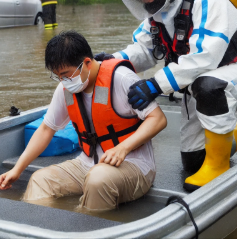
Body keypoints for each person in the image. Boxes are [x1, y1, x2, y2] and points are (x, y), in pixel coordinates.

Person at [97, 0, 237, 192]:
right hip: (197, 81)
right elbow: (144, 50)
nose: (146, 2)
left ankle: (219, 166)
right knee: (193, 161)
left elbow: (204, 58)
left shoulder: (207, 0)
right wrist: (112, 61)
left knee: (209, 87)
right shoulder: (159, 11)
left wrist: (154, 85)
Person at [0, 30, 167, 211]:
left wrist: (122, 148)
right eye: (58, 76)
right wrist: (17, 170)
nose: (64, 81)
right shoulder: (66, 87)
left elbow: (157, 119)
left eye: (66, 74)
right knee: (40, 180)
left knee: (98, 179)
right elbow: (46, 129)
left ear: (87, 63)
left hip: (134, 165)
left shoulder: (122, 78)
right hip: (86, 164)